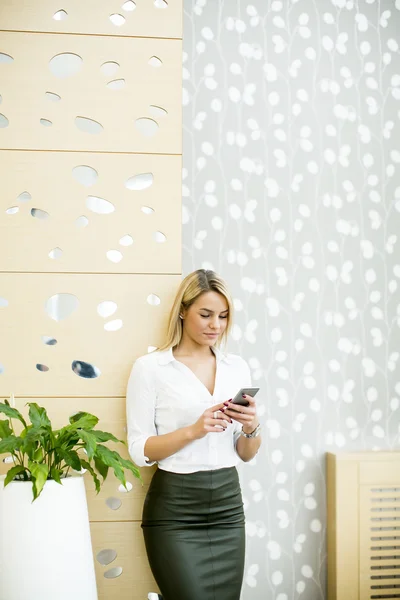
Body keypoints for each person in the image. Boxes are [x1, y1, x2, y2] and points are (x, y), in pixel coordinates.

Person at [126, 269, 262, 600]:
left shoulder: (236, 368)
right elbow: (139, 449)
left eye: (223, 316)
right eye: (206, 314)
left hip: (228, 508)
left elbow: (245, 453)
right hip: (175, 513)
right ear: (183, 310)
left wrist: (251, 427)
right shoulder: (151, 368)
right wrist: (193, 430)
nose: (215, 324)